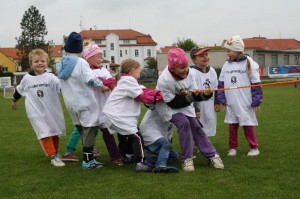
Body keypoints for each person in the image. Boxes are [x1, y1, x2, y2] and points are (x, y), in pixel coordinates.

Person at [155, 48, 224, 172]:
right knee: (184, 123)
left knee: (196, 126)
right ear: (172, 68)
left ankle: (212, 155)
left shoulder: (191, 73)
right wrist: (191, 96)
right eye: (182, 68)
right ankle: (187, 158)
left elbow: (196, 95)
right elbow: (174, 103)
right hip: (168, 106)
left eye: (186, 66)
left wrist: (206, 95)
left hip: (185, 104)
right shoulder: (164, 80)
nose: (186, 70)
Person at [61, 44, 123, 165]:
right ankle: (87, 156)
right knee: (88, 132)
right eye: (97, 57)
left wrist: (108, 83)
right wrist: (102, 84)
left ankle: (115, 156)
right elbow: (92, 81)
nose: (100, 60)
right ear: (88, 57)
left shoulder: (103, 69)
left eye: (101, 57)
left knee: (107, 133)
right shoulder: (84, 69)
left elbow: (110, 80)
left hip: (103, 107)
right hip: (91, 107)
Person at [102, 58, 163, 172]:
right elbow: (143, 97)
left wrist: (158, 93)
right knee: (137, 137)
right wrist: (161, 98)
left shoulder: (126, 81)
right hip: (117, 115)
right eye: (139, 72)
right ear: (132, 70)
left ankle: (126, 156)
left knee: (125, 135)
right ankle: (139, 162)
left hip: (113, 114)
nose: (140, 74)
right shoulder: (128, 81)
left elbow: (144, 90)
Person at [58, 32, 106, 169]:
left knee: (81, 130)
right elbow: (91, 79)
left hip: (70, 104)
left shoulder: (61, 63)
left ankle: (88, 158)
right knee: (90, 130)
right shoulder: (81, 62)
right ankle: (88, 161)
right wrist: (102, 86)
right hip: (85, 102)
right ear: (80, 50)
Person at [11, 49, 66, 167]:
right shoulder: (26, 79)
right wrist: (14, 101)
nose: (40, 63)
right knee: (44, 132)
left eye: (42, 61)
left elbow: (60, 86)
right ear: (31, 64)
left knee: (54, 132)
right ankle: (53, 156)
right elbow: (19, 90)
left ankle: (55, 152)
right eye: (36, 61)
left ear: (47, 63)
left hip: (51, 110)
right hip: (34, 111)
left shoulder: (51, 77)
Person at [218, 35, 263, 157]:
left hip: (244, 101)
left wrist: (256, 99)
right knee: (232, 125)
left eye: (229, 51)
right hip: (231, 101)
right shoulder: (226, 65)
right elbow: (221, 83)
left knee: (247, 124)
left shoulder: (250, 63)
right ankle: (233, 148)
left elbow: (256, 83)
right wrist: (222, 97)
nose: (227, 54)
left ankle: (254, 147)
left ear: (238, 50)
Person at [189, 46, 220, 137]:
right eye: (201, 56)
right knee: (198, 125)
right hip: (199, 105)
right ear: (194, 60)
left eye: (206, 54)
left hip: (210, 105)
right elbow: (192, 92)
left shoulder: (212, 71)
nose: (205, 57)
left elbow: (216, 87)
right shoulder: (192, 72)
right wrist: (195, 108)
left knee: (209, 123)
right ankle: (198, 145)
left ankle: (205, 145)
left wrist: (216, 101)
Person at [140, 108, 179, 173]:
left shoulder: (178, 116)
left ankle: (146, 158)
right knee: (165, 143)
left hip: (158, 137)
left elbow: (169, 134)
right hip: (148, 132)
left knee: (174, 156)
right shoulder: (163, 104)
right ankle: (161, 165)